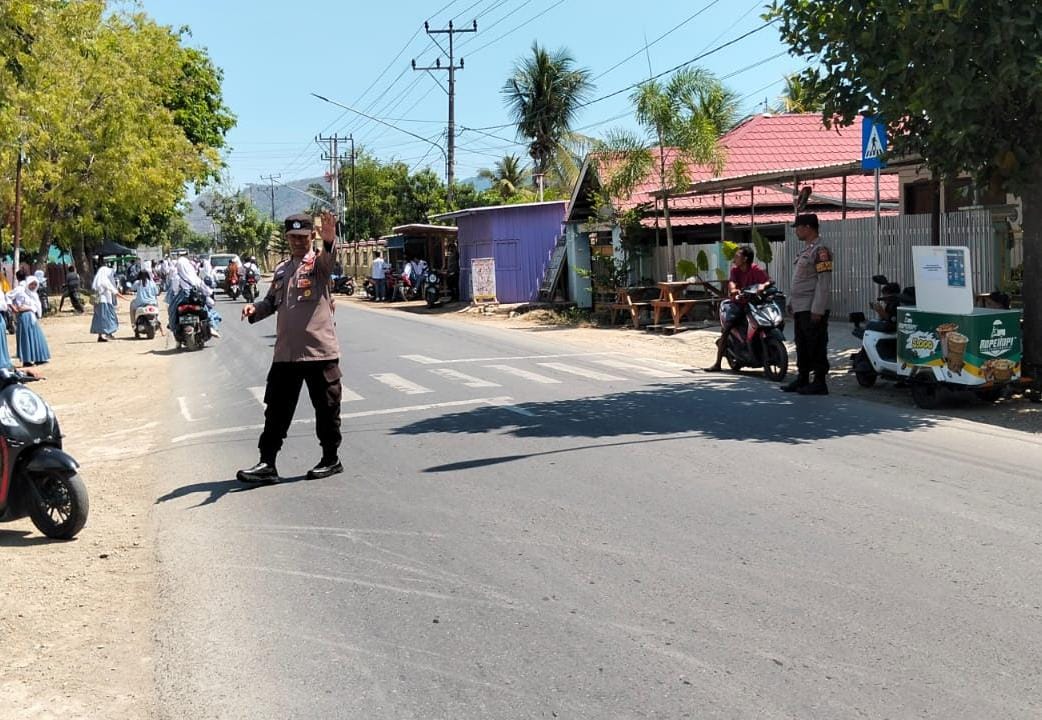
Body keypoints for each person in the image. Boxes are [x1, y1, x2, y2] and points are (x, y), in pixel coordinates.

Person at [237, 211, 342, 484]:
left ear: (311, 236)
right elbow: (271, 302)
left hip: (319, 352)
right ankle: (267, 463)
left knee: (327, 409)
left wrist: (329, 241)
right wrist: (254, 309)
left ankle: (331, 458)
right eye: (293, 237)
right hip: (286, 354)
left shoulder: (318, 264)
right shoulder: (282, 269)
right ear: (287, 238)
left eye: (303, 236)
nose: (297, 241)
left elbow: (329, 260)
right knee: (276, 411)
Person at [782, 213, 833, 395]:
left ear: (808, 227)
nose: (796, 231)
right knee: (802, 344)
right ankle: (803, 378)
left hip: (812, 307)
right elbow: (800, 281)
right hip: (800, 306)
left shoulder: (821, 251)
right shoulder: (807, 250)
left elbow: (824, 282)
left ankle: (819, 381)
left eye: (798, 227)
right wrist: (791, 301)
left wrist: (818, 309)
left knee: (816, 344)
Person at [704, 245, 771, 372]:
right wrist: (734, 289)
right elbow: (732, 282)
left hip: (755, 304)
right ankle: (717, 363)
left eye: (737, 256)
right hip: (739, 304)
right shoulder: (735, 270)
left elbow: (767, 281)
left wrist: (763, 286)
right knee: (727, 328)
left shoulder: (755, 269)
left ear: (745, 259)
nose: (734, 258)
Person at [168, 254, 221, 337]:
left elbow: (175, 290)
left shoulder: (176, 277)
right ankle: (211, 327)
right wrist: (208, 293)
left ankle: (173, 327)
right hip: (194, 299)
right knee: (207, 310)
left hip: (181, 300)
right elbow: (203, 288)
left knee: (172, 311)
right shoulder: (193, 276)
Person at [9, 275, 50, 366]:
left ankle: (38, 358)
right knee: (26, 338)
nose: (33, 286)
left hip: (32, 317)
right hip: (24, 317)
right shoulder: (21, 291)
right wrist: (14, 308)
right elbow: (8, 297)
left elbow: (35, 307)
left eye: (35, 284)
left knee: (36, 337)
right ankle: (26, 360)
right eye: (32, 284)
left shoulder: (34, 294)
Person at [90, 259, 126, 342]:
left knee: (99, 319)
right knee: (109, 318)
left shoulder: (97, 282)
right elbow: (114, 291)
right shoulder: (105, 280)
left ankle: (100, 336)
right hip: (105, 302)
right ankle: (108, 333)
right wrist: (124, 298)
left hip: (98, 303)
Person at [129, 269, 162, 334]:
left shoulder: (137, 283)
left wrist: (130, 291)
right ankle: (159, 323)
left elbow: (131, 289)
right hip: (152, 303)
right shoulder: (152, 283)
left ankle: (134, 324)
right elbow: (157, 292)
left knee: (132, 305)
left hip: (140, 304)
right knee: (157, 311)